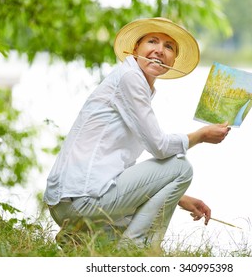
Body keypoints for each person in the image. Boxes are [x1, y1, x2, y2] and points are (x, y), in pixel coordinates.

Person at [43, 17, 231, 249]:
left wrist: (178, 198)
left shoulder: (137, 84)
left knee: (136, 220)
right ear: (135, 49)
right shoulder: (130, 77)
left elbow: (117, 166)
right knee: (181, 167)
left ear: (174, 59)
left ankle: (79, 237)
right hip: (81, 199)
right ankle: (136, 252)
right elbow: (160, 147)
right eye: (153, 41)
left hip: (71, 202)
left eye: (169, 47)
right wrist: (201, 136)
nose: (160, 50)